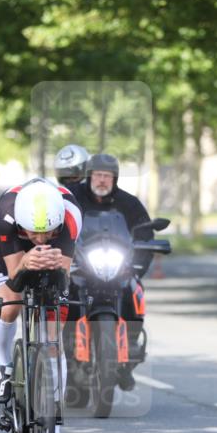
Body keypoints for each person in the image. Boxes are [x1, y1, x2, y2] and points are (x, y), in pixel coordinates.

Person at [0, 177, 82, 433]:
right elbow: (15, 277)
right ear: (21, 224)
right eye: (35, 234)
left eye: (48, 233)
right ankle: (3, 362)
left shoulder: (70, 215)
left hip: (57, 257)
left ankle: (53, 432)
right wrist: (27, 263)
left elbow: (63, 279)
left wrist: (55, 264)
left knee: (54, 336)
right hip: (13, 255)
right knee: (11, 304)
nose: (41, 240)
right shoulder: (6, 214)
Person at [70, 153, 153, 391]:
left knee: (135, 291)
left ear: (115, 179)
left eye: (107, 176)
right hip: (80, 267)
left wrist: (137, 264)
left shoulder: (129, 203)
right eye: (98, 175)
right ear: (89, 176)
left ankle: (130, 350)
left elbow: (145, 233)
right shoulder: (74, 197)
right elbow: (59, 222)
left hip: (117, 268)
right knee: (64, 294)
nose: (102, 180)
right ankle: (60, 346)